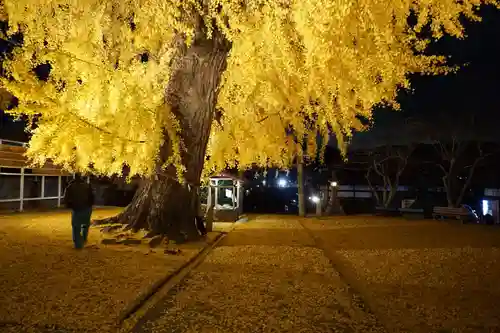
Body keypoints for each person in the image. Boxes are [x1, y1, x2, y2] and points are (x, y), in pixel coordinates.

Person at [64, 175, 94, 249]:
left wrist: (69, 205)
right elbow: (92, 197)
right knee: (84, 224)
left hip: (76, 209)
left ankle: (78, 244)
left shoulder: (70, 187)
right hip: (87, 208)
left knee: (76, 226)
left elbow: (66, 198)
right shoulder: (87, 186)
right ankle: (84, 237)